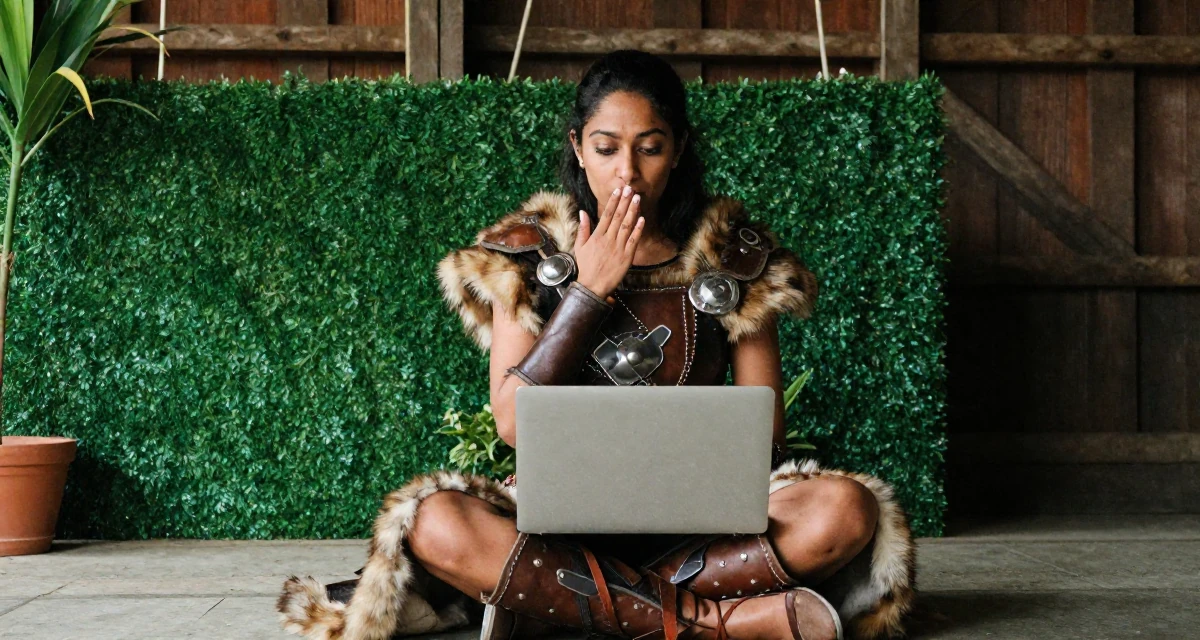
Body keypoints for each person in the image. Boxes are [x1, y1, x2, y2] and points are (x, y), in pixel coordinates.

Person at [278, 50, 915, 640]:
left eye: (650, 148)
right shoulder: (526, 255)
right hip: (555, 525)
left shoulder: (734, 259)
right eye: (607, 148)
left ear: (679, 149)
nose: (627, 172)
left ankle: (547, 599)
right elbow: (511, 421)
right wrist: (587, 294)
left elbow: (765, 437)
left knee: (845, 509)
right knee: (433, 520)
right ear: (578, 147)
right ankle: (713, 621)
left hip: (700, 528)